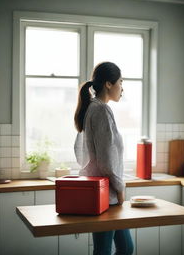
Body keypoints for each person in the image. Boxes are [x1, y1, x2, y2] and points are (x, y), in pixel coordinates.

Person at [74, 62, 134, 255]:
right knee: (104, 250)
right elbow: (106, 159)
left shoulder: (92, 107)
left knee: (125, 248)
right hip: (105, 194)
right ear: (108, 84)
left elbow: (79, 150)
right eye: (120, 82)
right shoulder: (101, 110)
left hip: (104, 193)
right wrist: (120, 187)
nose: (122, 88)